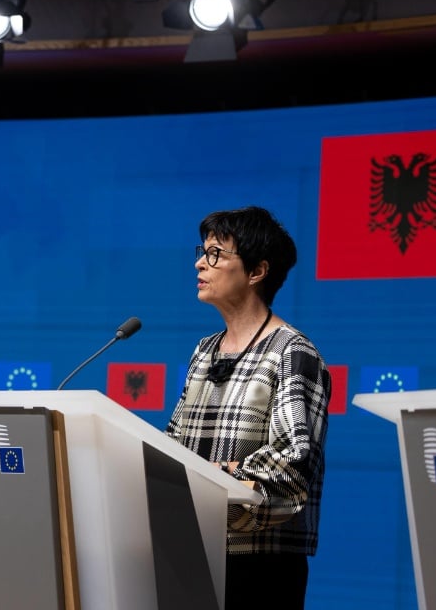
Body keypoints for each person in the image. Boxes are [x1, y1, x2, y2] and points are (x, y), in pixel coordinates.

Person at [165, 206, 330, 610]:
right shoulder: (204, 350)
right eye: (203, 251)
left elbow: (292, 465)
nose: (200, 263)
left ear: (257, 271)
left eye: (216, 254)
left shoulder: (292, 352)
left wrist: (208, 478)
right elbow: (174, 442)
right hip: (192, 548)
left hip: (258, 567)